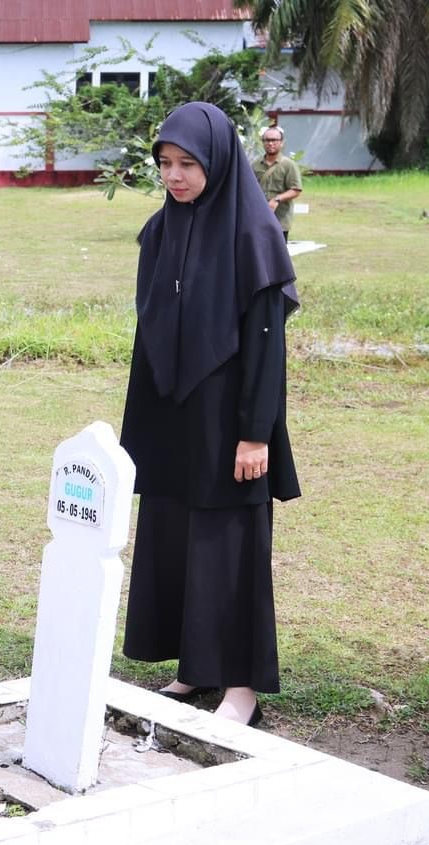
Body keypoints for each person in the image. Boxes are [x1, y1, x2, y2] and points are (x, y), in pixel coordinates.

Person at [120, 102, 301, 728]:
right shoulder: (160, 228)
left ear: (219, 162)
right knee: (175, 537)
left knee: (229, 545)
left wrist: (256, 434)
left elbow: (266, 344)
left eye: (188, 164)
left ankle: (242, 686)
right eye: (165, 164)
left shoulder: (254, 233)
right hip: (172, 415)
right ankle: (194, 668)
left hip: (230, 418)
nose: (174, 176)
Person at [251, 125, 302, 242]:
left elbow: (296, 190)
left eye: (274, 140)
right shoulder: (255, 165)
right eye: (267, 140)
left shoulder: (288, 165)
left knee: (279, 256)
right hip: (259, 217)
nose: (270, 143)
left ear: (282, 143)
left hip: (280, 219)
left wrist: (277, 199)